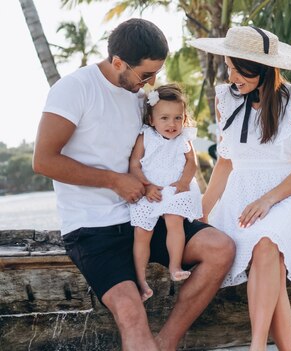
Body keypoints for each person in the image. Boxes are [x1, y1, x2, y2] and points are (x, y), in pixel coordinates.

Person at [32, 18, 235, 351]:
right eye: (145, 74)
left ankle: (167, 343)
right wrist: (114, 181)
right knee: (131, 316)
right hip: (93, 228)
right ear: (117, 63)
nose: (152, 82)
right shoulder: (74, 89)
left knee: (221, 248)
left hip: (147, 215)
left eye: (156, 73)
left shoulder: (141, 97)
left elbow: (161, 150)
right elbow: (44, 161)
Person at [189, 26, 291, 350]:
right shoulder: (225, 98)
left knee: (267, 242)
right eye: (229, 66)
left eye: (238, 68)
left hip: (285, 197)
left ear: (261, 67)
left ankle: (255, 346)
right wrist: (202, 211)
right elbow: (225, 163)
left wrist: (267, 200)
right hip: (239, 197)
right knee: (270, 262)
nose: (231, 75)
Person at [129, 84, 203, 301]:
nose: (172, 124)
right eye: (165, 118)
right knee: (142, 233)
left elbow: (192, 162)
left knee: (174, 221)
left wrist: (184, 182)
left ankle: (175, 265)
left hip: (173, 189)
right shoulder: (146, 137)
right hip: (150, 190)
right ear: (152, 119)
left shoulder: (184, 138)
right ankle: (141, 281)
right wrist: (146, 186)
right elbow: (134, 165)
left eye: (178, 118)